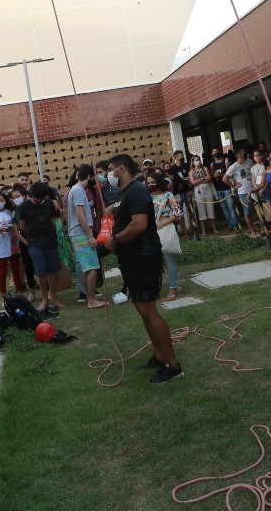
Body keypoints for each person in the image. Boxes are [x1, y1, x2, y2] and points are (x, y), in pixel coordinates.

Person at [103, 155, 184, 383]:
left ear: (121, 169)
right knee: (142, 309)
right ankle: (159, 356)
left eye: (109, 170)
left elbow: (138, 225)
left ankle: (173, 365)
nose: (106, 175)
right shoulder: (126, 192)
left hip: (143, 257)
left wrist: (115, 241)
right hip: (132, 258)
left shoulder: (137, 190)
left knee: (149, 310)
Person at [18, 182, 64, 315]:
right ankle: (45, 300)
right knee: (41, 272)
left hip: (50, 241)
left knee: (51, 271)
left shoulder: (49, 203)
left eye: (41, 198)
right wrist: (34, 231)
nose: (39, 200)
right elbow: (22, 225)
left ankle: (54, 299)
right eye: (37, 198)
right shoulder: (25, 206)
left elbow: (53, 220)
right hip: (34, 243)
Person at [67, 165, 106, 309]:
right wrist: (90, 235)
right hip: (81, 233)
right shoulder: (78, 190)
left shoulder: (76, 189)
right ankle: (91, 300)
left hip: (79, 233)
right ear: (89, 177)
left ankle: (90, 298)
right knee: (92, 267)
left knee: (87, 268)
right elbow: (80, 214)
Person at [147, 173, 183, 301]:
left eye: (152, 182)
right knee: (152, 262)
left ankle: (173, 288)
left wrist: (162, 223)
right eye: (148, 183)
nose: (150, 185)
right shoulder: (148, 196)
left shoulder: (168, 195)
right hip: (151, 232)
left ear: (158, 182)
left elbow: (177, 213)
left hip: (165, 228)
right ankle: (154, 288)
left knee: (169, 260)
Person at [0, 190, 25, 296]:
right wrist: (0, 230)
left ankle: (19, 293)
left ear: (6, 201)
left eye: (2, 200)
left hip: (13, 244)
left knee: (15, 270)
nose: (0, 202)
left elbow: (16, 225)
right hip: (0, 246)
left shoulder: (9, 212)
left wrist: (12, 229)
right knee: (2, 272)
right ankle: (4, 296)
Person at [8, 186, 40, 301]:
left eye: (18, 196)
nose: (16, 199)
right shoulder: (14, 213)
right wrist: (26, 242)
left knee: (40, 266)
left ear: (25, 196)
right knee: (28, 267)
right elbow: (17, 232)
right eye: (13, 197)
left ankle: (48, 290)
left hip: (36, 238)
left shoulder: (31, 207)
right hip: (24, 240)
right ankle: (32, 292)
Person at [225, 145, 261, 238]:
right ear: (238, 155)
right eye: (241, 153)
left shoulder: (249, 161)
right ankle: (253, 231)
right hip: (243, 192)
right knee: (247, 212)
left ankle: (262, 228)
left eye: (243, 152)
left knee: (258, 208)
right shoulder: (234, 166)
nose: (243, 154)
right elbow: (225, 179)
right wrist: (234, 186)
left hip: (253, 189)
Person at [189, 155, 220, 236]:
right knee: (201, 210)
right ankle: (203, 231)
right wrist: (203, 178)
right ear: (193, 162)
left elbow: (209, 178)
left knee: (211, 208)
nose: (197, 161)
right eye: (196, 160)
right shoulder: (191, 172)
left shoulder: (205, 168)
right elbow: (193, 182)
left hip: (208, 189)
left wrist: (198, 181)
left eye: (198, 159)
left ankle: (214, 228)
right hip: (198, 191)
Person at [211, 150, 238, 232]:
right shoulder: (212, 164)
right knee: (224, 208)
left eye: (216, 151)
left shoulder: (226, 161)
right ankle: (230, 224)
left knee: (231, 207)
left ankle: (235, 225)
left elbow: (230, 173)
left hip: (227, 187)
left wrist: (221, 175)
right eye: (213, 152)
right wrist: (213, 175)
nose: (215, 153)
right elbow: (211, 175)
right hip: (218, 189)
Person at [170, 150, 194, 236]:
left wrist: (191, 185)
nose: (182, 156)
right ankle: (184, 231)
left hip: (187, 191)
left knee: (190, 209)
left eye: (182, 155)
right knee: (179, 213)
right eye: (180, 155)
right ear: (176, 157)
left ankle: (192, 228)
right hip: (177, 193)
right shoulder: (172, 168)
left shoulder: (186, 165)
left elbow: (191, 176)